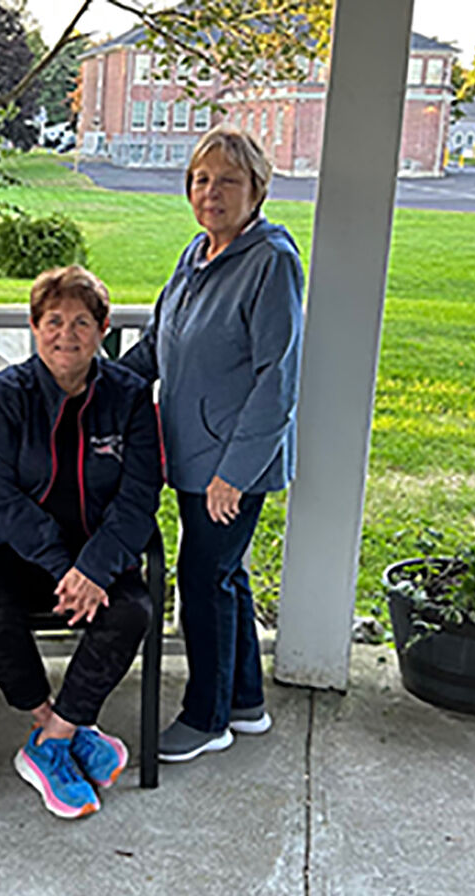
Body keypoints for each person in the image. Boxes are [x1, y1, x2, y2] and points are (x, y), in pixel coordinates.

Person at [122, 127, 305, 763]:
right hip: (195, 454)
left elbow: (276, 376)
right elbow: (158, 343)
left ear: (257, 189)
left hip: (232, 464)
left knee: (202, 580)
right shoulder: (196, 254)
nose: (211, 192)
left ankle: (206, 717)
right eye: (201, 180)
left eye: (227, 181)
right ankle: (245, 701)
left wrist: (236, 472)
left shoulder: (270, 262)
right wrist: (98, 379)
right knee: (227, 576)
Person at [0, 265, 161, 819]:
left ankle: (55, 737)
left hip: (99, 549)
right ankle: (51, 719)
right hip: (15, 550)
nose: (66, 334)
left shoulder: (128, 397)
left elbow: (139, 497)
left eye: (81, 321)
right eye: (53, 321)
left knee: (131, 612)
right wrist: (61, 566)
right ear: (33, 326)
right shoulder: (4, 397)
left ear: (102, 330)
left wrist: (94, 570)